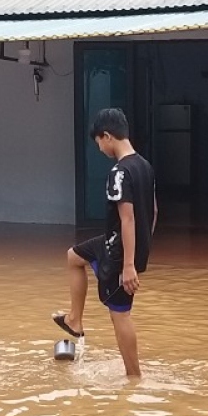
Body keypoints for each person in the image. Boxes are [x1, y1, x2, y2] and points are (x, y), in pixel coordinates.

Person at [53, 108, 157, 379]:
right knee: (74, 256)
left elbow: (128, 218)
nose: (99, 148)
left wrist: (129, 264)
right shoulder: (145, 166)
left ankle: (134, 378)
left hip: (119, 252)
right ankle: (75, 319)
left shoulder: (119, 172)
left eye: (99, 142)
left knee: (120, 315)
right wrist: (144, 246)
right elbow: (154, 211)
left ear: (108, 136)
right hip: (119, 243)